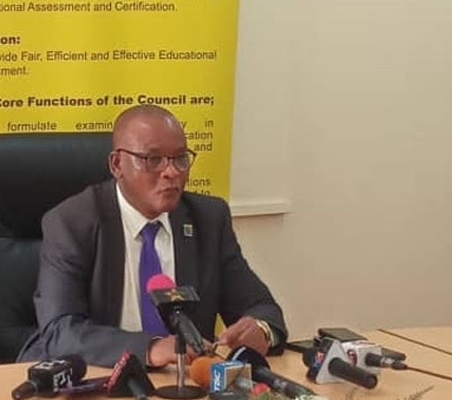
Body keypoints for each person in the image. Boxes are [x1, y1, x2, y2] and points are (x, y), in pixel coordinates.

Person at [17, 105, 287, 367]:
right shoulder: (72, 222)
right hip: (103, 377)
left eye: (180, 158)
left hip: (185, 381)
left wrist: (261, 330)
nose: (172, 172)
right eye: (153, 159)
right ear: (117, 164)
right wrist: (150, 348)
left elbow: (263, 308)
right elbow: (60, 331)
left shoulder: (208, 219)